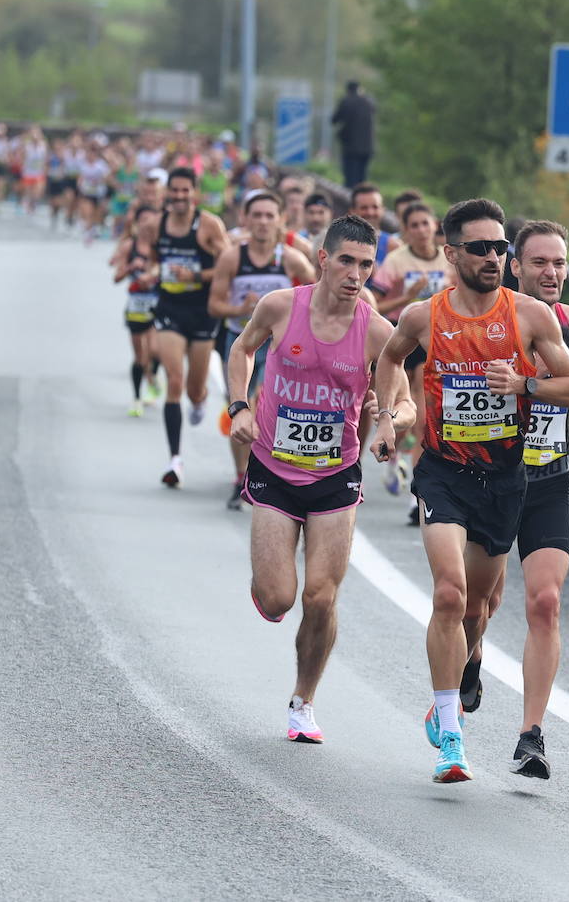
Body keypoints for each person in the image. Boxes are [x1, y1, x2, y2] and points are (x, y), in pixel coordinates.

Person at [369, 198, 569, 783]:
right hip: (442, 471)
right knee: (448, 593)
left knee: (479, 608)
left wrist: (524, 383)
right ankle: (449, 733)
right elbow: (388, 359)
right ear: (452, 253)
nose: (494, 257)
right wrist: (386, 417)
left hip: (504, 478)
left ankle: (464, 669)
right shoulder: (423, 316)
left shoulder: (531, 317)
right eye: (481, 248)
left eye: (500, 248)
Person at [230, 214, 408, 744]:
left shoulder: (377, 331)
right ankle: (267, 581)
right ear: (324, 260)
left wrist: (387, 425)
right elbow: (242, 350)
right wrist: (240, 406)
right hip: (274, 467)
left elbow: (403, 402)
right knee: (280, 597)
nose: (356, 274)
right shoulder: (281, 307)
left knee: (321, 598)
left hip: (335, 474)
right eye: (347, 261)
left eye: (367, 265)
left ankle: (303, 701)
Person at [467, 219, 569, 778]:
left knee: (546, 603)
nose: (551, 273)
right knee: (477, 604)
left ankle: (530, 735)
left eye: (559, 263)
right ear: (515, 266)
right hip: (490, 477)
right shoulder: (490, 318)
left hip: (549, 479)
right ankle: (472, 653)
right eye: (539, 262)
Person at [208, 191, 317, 509]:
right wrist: (238, 308)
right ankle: (241, 477)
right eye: (257, 215)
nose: (263, 222)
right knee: (240, 408)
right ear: (245, 219)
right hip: (239, 342)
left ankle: (274, 475)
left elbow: (316, 299)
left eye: (270, 215)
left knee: (267, 407)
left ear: (281, 220)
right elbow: (214, 305)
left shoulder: (291, 259)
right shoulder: (232, 258)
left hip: (279, 347)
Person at [373, 201, 457, 510]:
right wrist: (408, 297)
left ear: (435, 225)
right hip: (398, 338)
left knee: (423, 418)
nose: (422, 230)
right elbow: (373, 306)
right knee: (399, 409)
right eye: (415, 225)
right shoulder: (396, 261)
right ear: (406, 231)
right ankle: (395, 460)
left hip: (433, 341)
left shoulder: (450, 261)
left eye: (426, 223)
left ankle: (415, 497)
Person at [153, 166, 231, 487]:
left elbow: (228, 267)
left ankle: (198, 400)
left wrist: (196, 276)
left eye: (186, 191)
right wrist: (146, 268)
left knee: (194, 389)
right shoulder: (156, 224)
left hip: (201, 312)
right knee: (174, 380)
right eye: (175, 190)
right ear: (167, 193)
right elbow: (145, 252)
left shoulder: (209, 226)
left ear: (194, 193)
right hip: (169, 309)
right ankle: (175, 460)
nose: (180, 196)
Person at [113, 205, 163, 416]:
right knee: (140, 357)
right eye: (143, 220)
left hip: (157, 305)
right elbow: (116, 277)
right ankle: (136, 398)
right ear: (137, 223)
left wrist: (153, 274)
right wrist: (130, 268)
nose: (147, 225)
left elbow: (166, 270)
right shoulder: (129, 246)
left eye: (151, 221)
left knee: (154, 349)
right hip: (136, 308)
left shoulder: (162, 245)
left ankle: (152, 380)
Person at [332, 80, 376, 188]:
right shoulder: (369, 101)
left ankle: (351, 199)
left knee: (350, 177)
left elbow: (334, 120)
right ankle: (362, 193)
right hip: (367, 146)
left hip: (350, 146)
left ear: (348, 90)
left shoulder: (346, 101)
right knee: (362, 175)